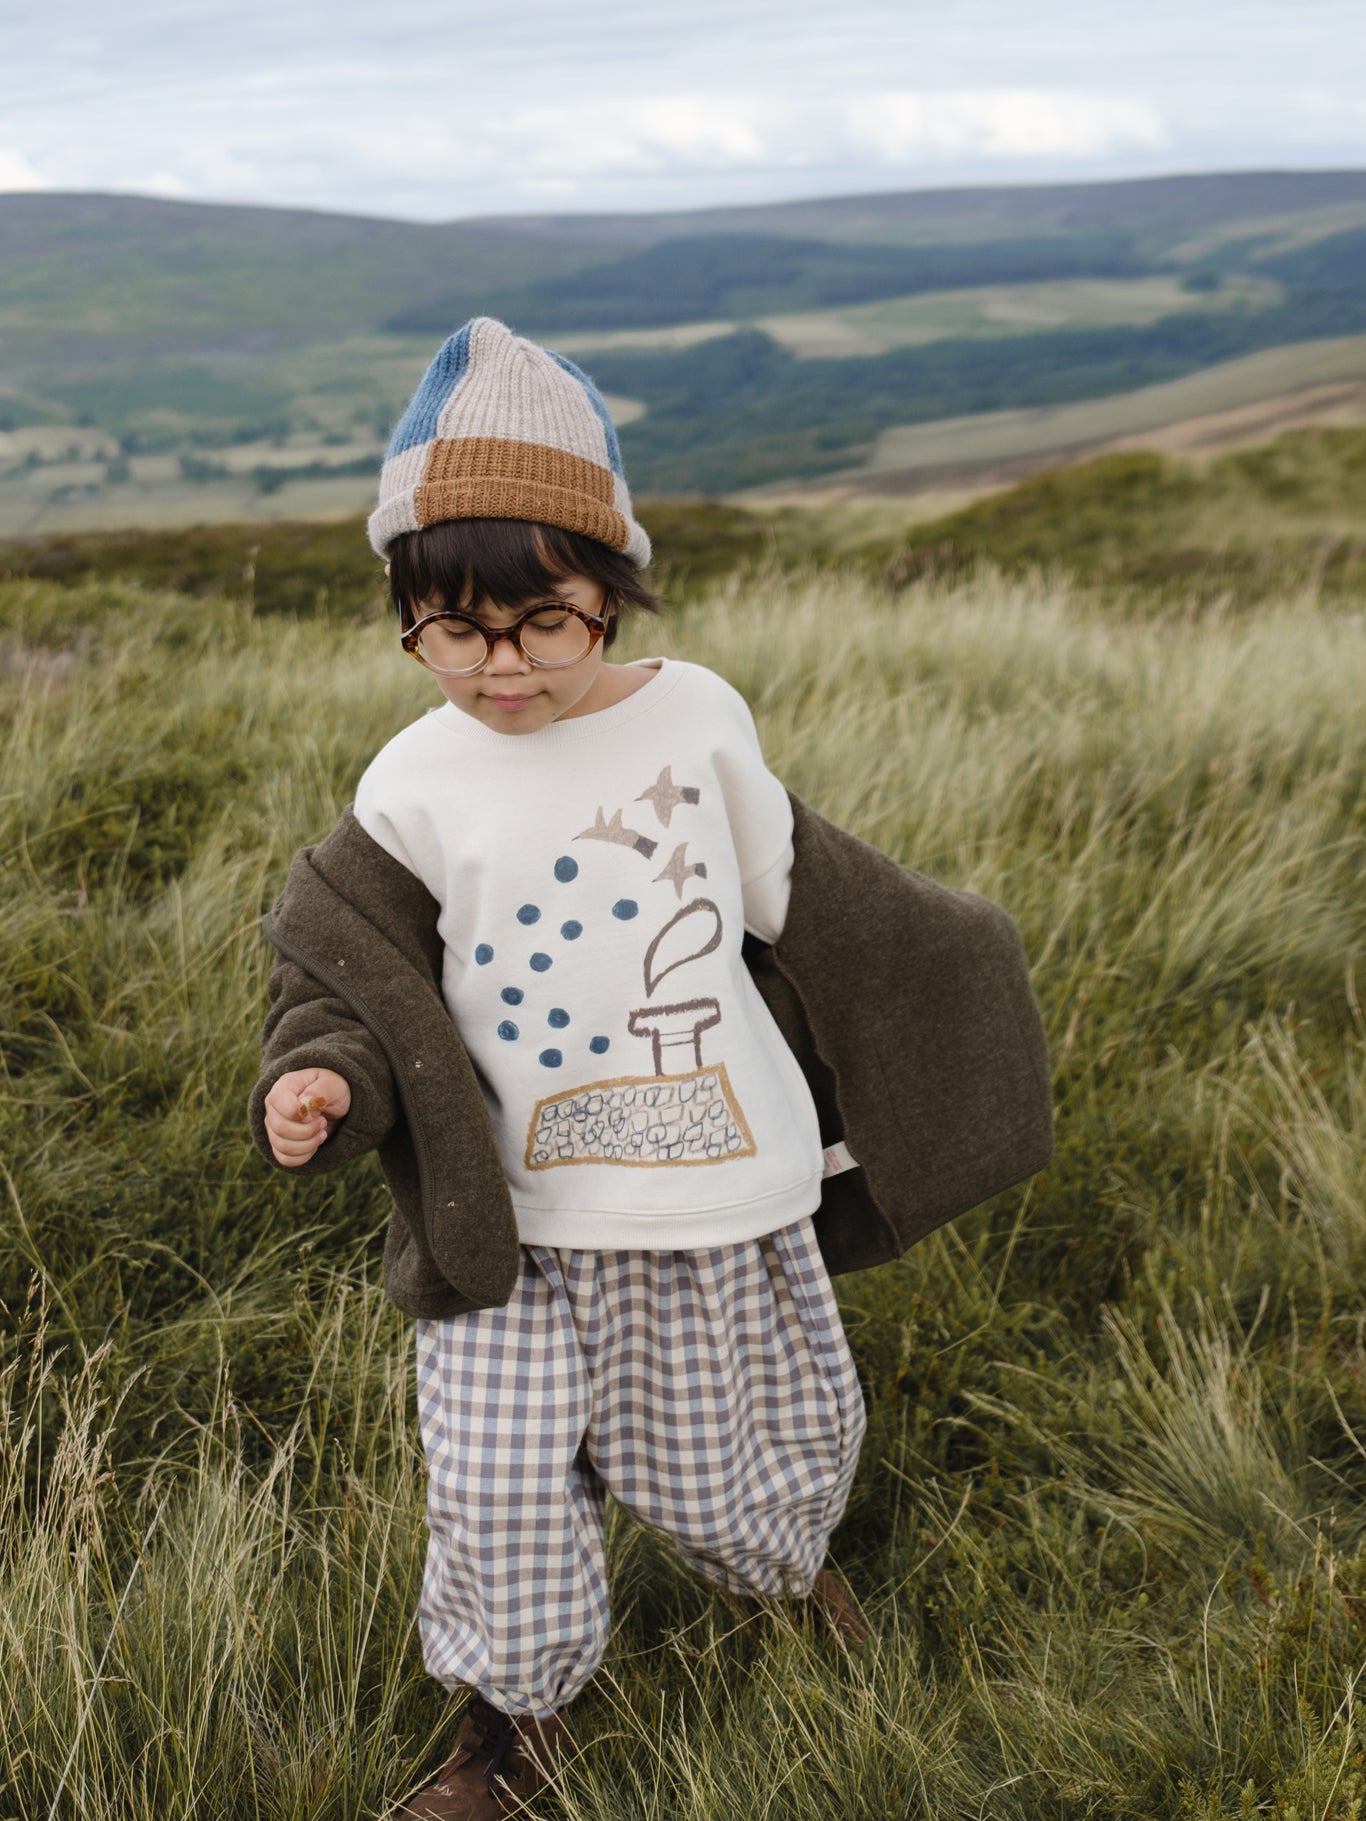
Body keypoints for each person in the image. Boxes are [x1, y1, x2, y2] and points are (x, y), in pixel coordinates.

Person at [247, 317, 1052, 1819]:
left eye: (543, 621)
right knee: (493, 1490)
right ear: (404, 612)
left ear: (610, 590)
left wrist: (957, 973)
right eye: (451, 628)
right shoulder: (410, 782)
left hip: (704, 1193)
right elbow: (346, 973)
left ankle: (783, 1575)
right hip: (511, 1220)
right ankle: (513, 1724)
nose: (500, 666)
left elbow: (801, 897)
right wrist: (327, 1083)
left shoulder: (697, 716)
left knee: (720, 1472)